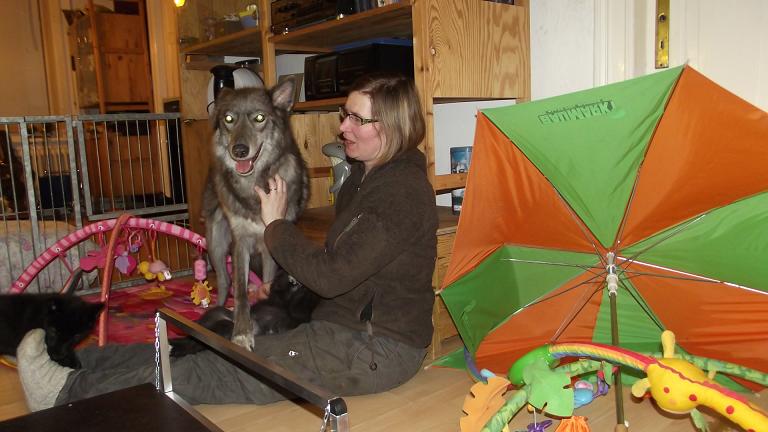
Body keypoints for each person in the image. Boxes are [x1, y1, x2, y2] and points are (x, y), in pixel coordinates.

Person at [15, 72, 438, 411]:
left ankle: (65, 392)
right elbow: (341, 265)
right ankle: (74, 362)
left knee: (219, 370)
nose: (342, 126)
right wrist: (282, 287)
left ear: (392, 127)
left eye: (356, 119)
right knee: (198, 347)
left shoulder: (399, 193)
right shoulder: (366, 179)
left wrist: (275, 227)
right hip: (338, 328)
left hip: (373, 348)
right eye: (344, 113)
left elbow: (331, 275)